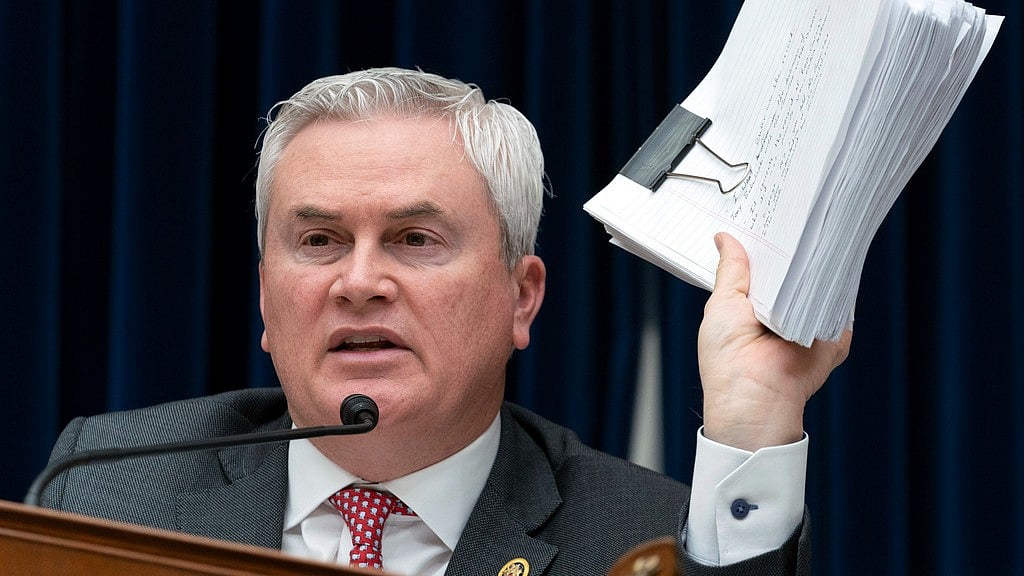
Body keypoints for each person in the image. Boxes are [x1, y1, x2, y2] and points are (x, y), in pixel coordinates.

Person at [39, 67, 851, 575]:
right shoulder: (107, 490)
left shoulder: (644, 539)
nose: (359, 282)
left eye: (414, 240)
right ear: (264, 298)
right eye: (318, 240)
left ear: (521, 297)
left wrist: (751, 426)